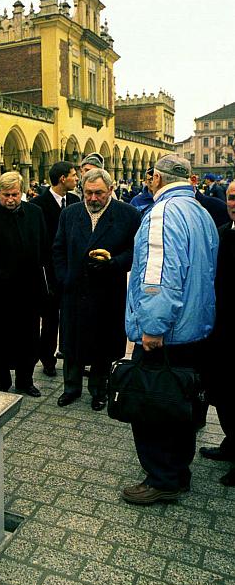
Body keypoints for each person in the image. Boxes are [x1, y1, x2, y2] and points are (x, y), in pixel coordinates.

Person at [123, 154, 218, 505]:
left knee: (154, 407)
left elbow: (159, 276)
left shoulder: (163, 212)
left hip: (166, 333)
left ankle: (162, 478)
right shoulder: (200, 212)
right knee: (180, 406)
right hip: (193, 330)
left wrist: (153, 326)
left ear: (157, 179)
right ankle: (178, 472)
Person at [53, 168, 141, 411]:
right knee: (72, 343)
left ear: (111, 190)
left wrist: (114, 263)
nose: (93, 198)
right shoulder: (70, 213)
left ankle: (99, 390)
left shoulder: (128, 214)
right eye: (88, 192)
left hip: (107, 292)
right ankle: (71, 388)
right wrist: (64, 278)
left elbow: (135, 252)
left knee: (102, 345)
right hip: (74, 291)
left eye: (99, 193)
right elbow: (58, 248)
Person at [0, 171, 47, 397]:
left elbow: (43, 247)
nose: (11, 199)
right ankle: (1, 382)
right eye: (6, 195)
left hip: (29, 291)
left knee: (29, 339)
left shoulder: (35, 213)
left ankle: (25, 381)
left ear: (21, 192)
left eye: (15, 194)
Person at [199, 181, 235, 486]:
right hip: (221, 329)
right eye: (232, 198)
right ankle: (231, 443)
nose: (234, 203)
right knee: (223, 393)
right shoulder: (222, 232)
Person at [31, 161, 79, 377]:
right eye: (73, 175)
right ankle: (47, 358)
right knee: (50, 319)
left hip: (71, 270)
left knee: (71, 317)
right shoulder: (39, 204)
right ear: (62, 178)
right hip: (48, 273)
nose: (76, 179)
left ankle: (70, 353)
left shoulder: (76, 201)